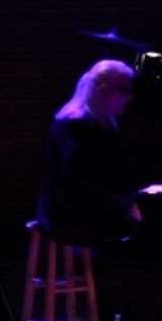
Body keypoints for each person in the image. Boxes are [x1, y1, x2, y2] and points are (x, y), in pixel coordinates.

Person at [37, 60, 142, 248]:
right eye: (124, 90)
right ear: (103, 90)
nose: (130, 97)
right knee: (142, 233)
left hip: (88, 205)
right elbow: (74, 184)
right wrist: (122, 205)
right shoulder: (75, 124)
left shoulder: (104, 123)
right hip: (67, 212)